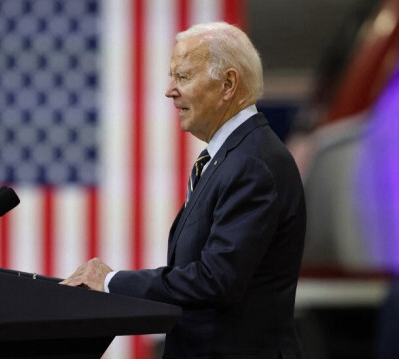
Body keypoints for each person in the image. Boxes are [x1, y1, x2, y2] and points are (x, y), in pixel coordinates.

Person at [61, 22, 306, 359]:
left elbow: (216, 280)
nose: (169, 90)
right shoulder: (231, 157)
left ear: (228, 84)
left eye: (183, 77)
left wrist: (112, 281)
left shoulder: (252, 163)